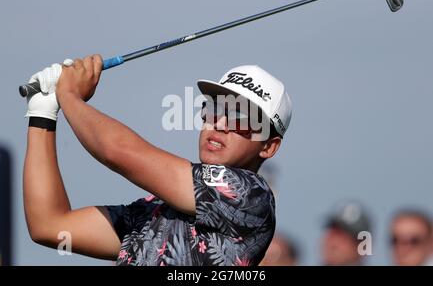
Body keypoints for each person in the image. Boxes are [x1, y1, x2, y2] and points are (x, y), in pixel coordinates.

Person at [23, 56, 292, 266]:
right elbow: (50, 226)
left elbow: (117, 151)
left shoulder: (253, 198)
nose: (219, 123)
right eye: (214, 109)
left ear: (269, 146)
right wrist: (43, 113)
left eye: (240, 118)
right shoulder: (156, 211)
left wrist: (68, 95)